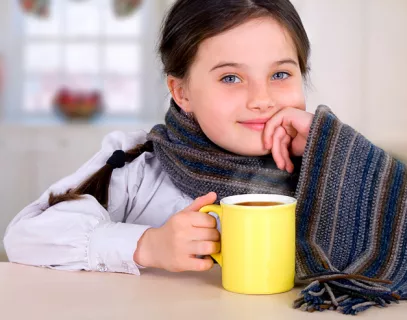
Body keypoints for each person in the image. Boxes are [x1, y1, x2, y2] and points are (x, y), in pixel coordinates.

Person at [3, 0, 315, 275]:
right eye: (230, 77)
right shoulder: (136, 166)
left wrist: (331, 151)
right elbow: (24, 236)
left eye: (279, 74)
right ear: (182, 92)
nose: (261, 100)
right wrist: (147, 245)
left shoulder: (330, 165)